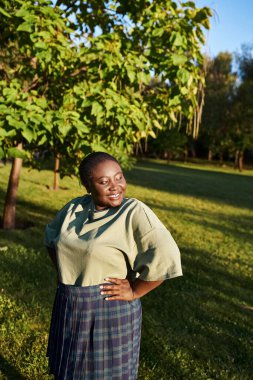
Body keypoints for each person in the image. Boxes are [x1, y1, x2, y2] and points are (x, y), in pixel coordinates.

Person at [44, 152, 182, 380]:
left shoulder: (133, 212)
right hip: (70, 306)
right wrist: (65, 272)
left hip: (108, 309)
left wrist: (136, 290)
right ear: (88, 186)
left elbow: (167, 255)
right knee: (69, 371)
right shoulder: (75, 208)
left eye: (119, 177)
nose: (115, 186)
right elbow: (51, 238)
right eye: (103, 181)